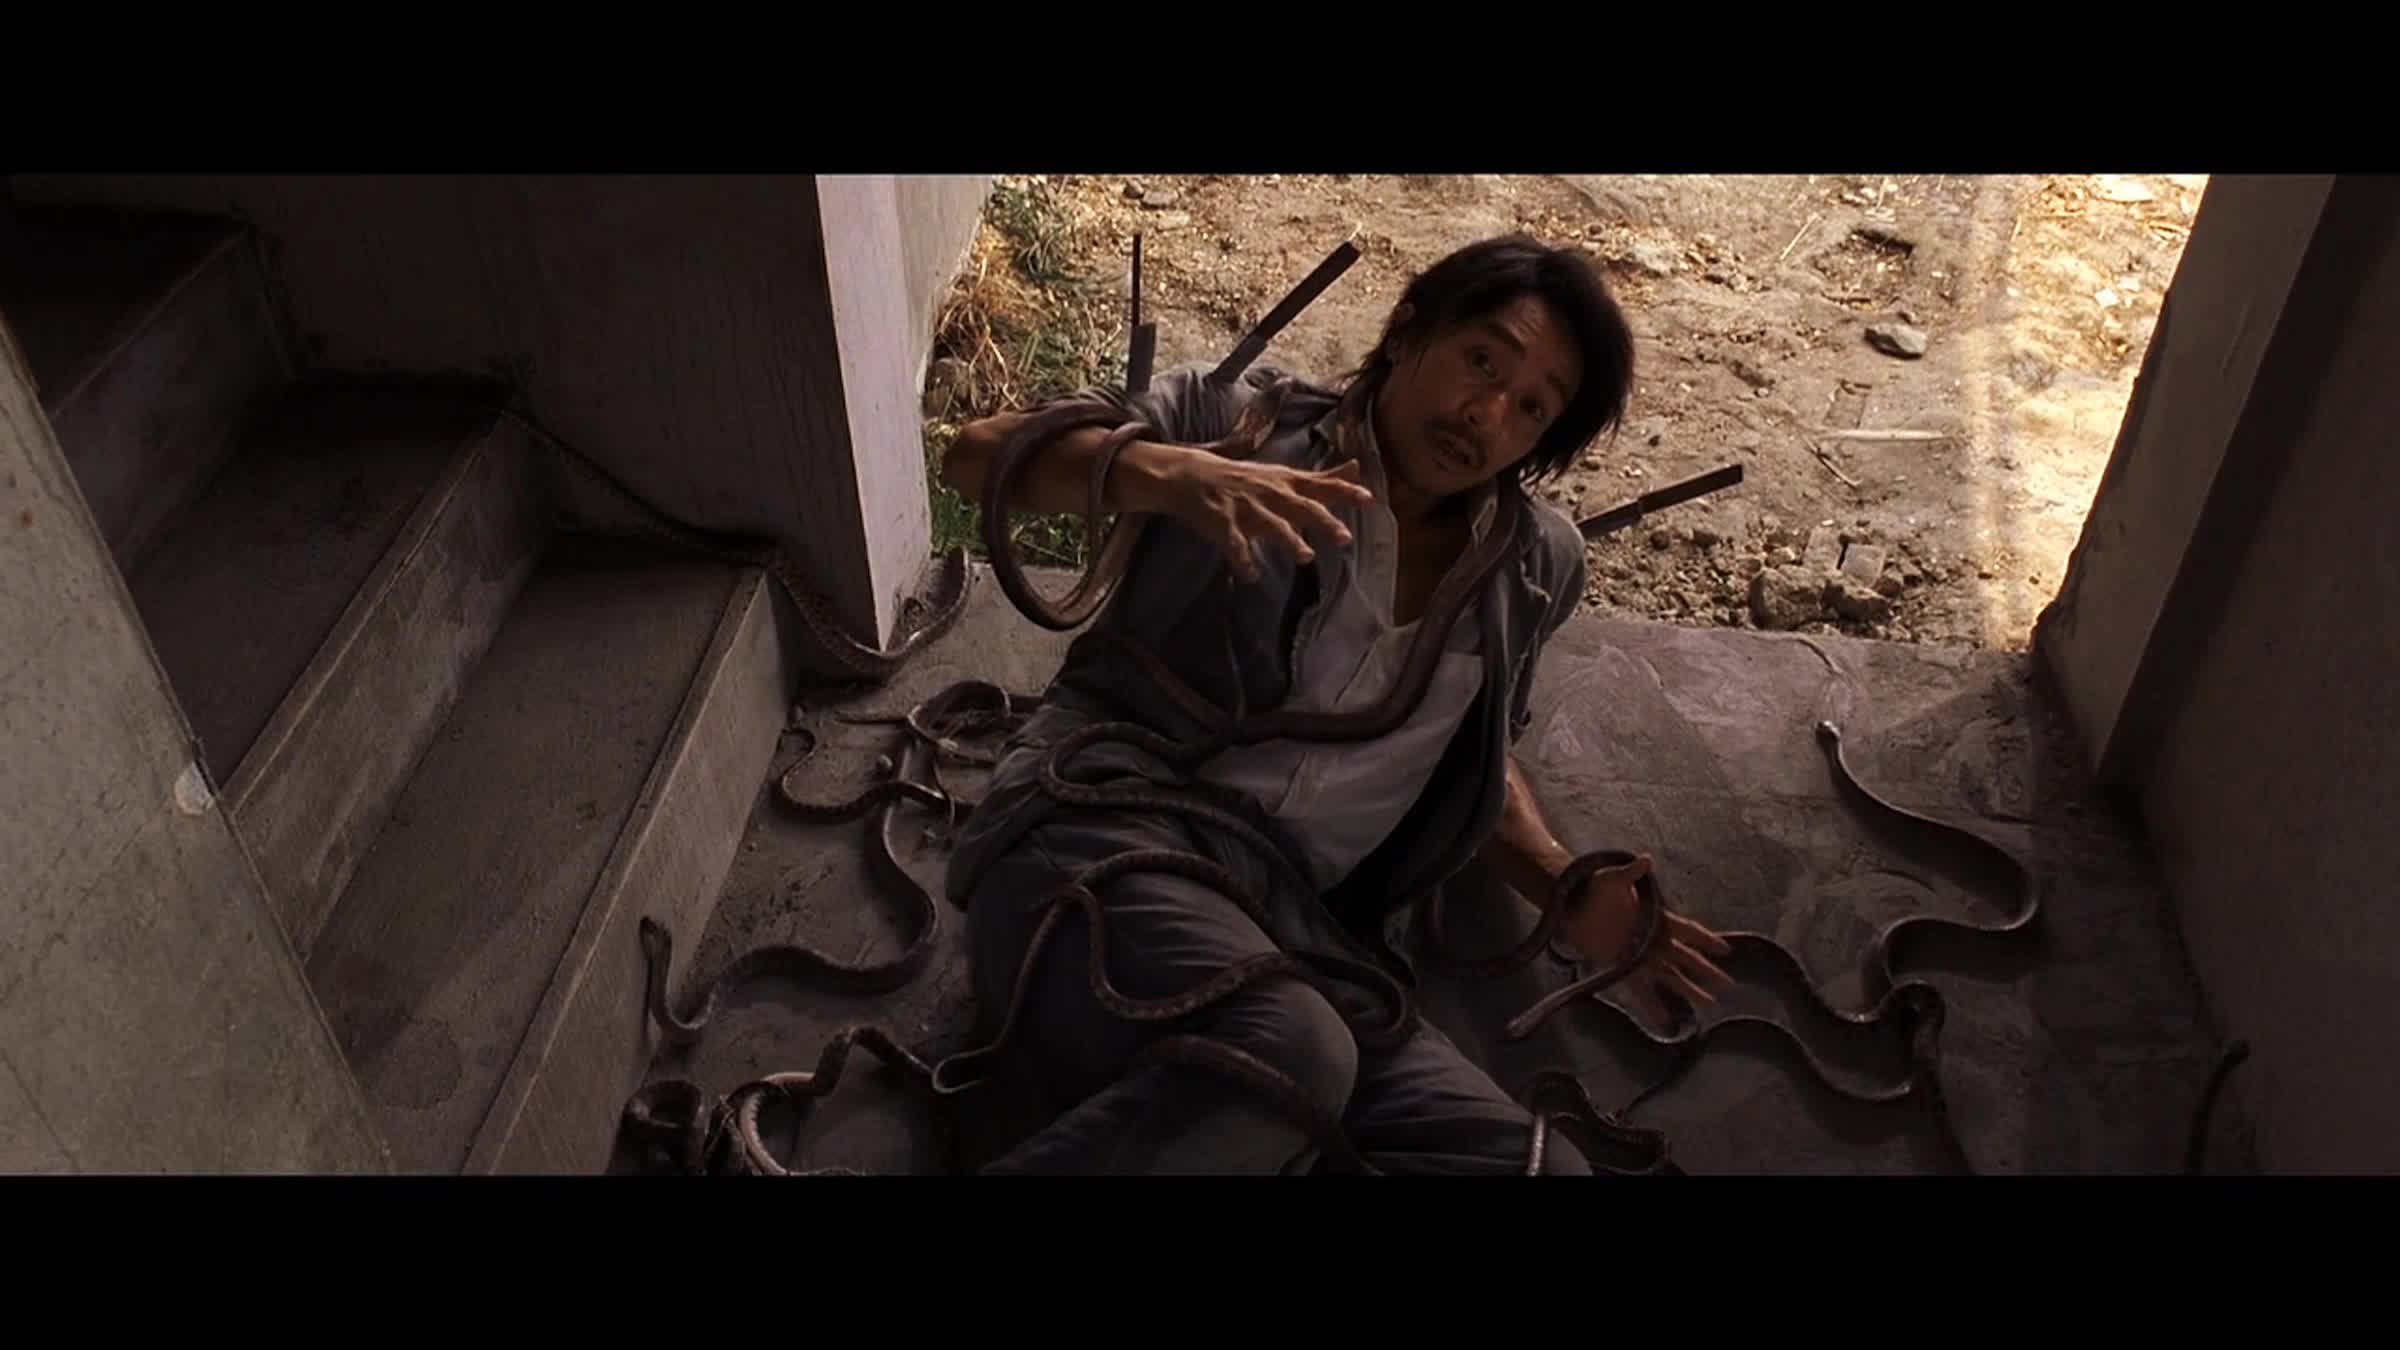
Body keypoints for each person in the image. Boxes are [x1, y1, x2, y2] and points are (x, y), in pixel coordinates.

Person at [937, 233, 1736, 1174]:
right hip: (1100, 835)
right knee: (1292, 1054)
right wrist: (1174, 476)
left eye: (1531, 407)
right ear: (1406, 334)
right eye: (1483, 361)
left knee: (1539, 1169)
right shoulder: (1238, 422)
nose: (1485, 414)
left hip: (1302, 933)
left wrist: (1560, 883)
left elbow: (1469, 760)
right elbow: (975, 458)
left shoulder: (1533, 566)